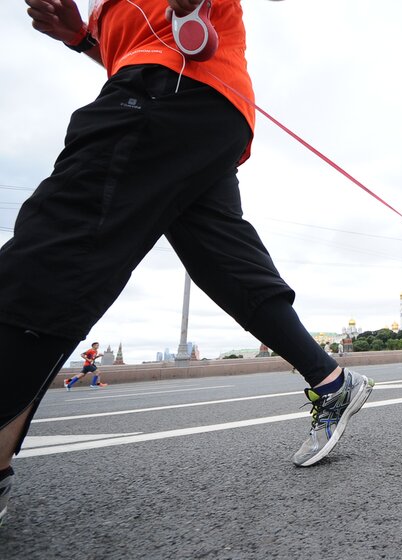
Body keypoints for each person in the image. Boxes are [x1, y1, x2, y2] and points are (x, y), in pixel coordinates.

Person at [0, 0, 374, 525]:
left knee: (64, 235)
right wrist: (82, 38)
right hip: (203, 109)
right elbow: (134, 44)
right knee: (223, 261)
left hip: (168, 93)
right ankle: (332, 382)